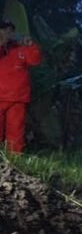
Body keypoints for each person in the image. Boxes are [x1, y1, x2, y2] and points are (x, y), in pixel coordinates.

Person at [0, 19, 42, 155]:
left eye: (10, 30)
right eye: (4, 30)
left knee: (15, 130)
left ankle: (13, 159)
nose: (7, 33)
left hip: (18, 98)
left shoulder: (21, 48)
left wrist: (30, 45)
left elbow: (35, 60)